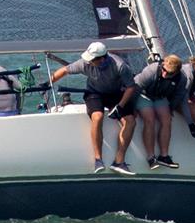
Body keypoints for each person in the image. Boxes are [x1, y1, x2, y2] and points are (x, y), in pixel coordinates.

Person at [49, 42, 138, 176]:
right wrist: (48, 82)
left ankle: (119, 161)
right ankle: (98, 160)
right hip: (94, 93)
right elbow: (65, 70)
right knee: (97, 117)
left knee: (130, 121)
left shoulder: (120, 66)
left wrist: (120, 106)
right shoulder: (85, 62)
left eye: (92, 60)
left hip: (116, 94)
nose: (88, 62)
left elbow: (131, 87)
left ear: (102, 59)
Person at [134, 54, 187, 170]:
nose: (165, 74)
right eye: (164, 70)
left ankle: (164, 156)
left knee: (167, 120)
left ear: (176, 72)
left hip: (160, 97)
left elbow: (178, 95)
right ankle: (151, 157)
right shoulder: (151, 70)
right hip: (143, 94)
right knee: (150, 119)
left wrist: (171, 108)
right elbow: (136, 87)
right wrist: (132, 107)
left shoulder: (182, 79)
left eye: (169, 73)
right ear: (162, 65)